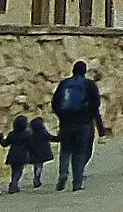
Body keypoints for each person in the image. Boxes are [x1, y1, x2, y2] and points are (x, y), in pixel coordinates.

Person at [52, 60, 108, 192]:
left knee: (65, 150)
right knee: (80, 152)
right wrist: (100, 128)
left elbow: (55, 104)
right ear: (84, 71)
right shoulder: (89, 85)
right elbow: (95, 106)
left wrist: (62, 117)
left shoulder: (64, 84)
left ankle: (63, 174)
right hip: (84, 124)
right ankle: (77, 181)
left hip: (66, 124)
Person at [0, 115, 31, 194]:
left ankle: (13, 184)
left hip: (12, 155)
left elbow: (5, 144)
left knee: (14, 170)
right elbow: (31, 145)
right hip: (22, 155)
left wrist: (1, 138)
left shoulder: (12, 134)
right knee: (19, 171)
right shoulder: (27, 134)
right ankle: (14, 183)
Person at [28, 117, 59, 188]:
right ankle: (37, 178)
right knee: (39, 166)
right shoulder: (43, 133)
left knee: (36, 166)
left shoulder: (30, 134)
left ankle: (36, 177)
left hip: (33, 153)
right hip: (42, 153)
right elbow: (51, 138)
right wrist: (60, 137)